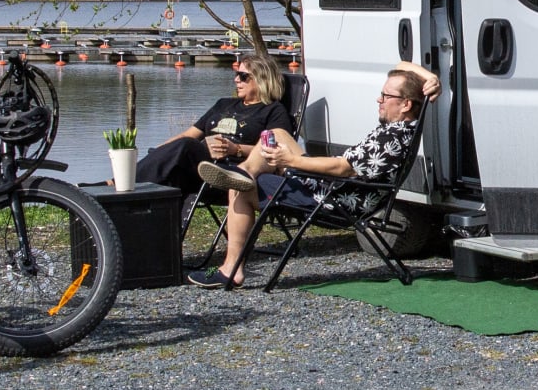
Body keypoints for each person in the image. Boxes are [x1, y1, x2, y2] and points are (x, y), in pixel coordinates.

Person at [187, 61, 438, 289]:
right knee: (278, 135)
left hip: (332, 199)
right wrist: (430, 77)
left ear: (406, 104)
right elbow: (402, 64)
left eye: (386, 95)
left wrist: (293, 161)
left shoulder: (391, 139)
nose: (378, 99)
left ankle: (231, 269)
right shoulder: (400, 128)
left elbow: (342, 168)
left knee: (243, 188)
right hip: (332, 187)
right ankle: (244, 172)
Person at [131, 54, 295, 196]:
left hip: (231, 171)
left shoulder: (273, 111)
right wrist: (159, 152)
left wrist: (235, 149)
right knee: (174, 172)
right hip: (201, 164)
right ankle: (161, 227)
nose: (236, 79)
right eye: (237, 74)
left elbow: (276, 153)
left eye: (243, 76)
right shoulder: (223, 104)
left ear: (262, 79)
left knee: (187, 147)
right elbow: (188, 135)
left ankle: (123, 183)